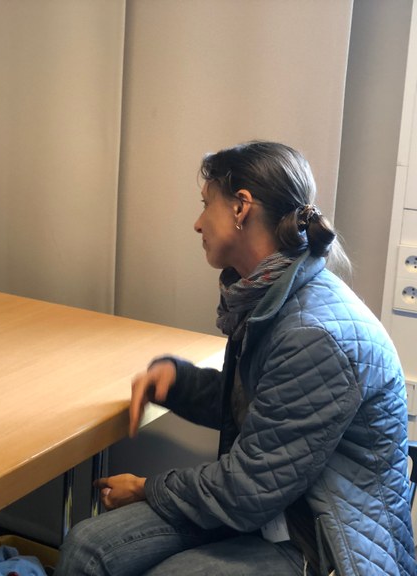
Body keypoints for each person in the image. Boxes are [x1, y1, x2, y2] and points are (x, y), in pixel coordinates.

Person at [55, 141, 416, 575]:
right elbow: (266, 412)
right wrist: (180, 382)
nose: (197, 223)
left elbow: (249, 489)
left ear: (241, 208)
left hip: (321, 536)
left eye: (207, 204)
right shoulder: (271, 294)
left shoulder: (313, 333)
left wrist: (146, 488)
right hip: (275, 506)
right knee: (87, 545)